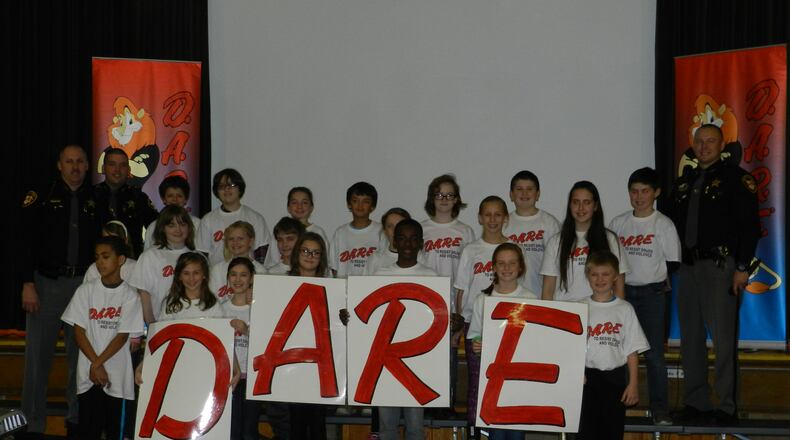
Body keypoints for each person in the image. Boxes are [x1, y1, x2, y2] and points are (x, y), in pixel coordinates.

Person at [667, 124, 760, 425]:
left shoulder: (736, 179)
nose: (704, 147)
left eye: (710, 142)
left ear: (722, 145)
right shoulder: (684, 183)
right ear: (692, 145)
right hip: (688, 267)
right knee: (691, 338)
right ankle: (697, 402)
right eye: (699, 141)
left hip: (721, 268)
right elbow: (670, 231)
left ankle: (726, 406)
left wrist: (742, 268)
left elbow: (750, 227)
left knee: (722, 340)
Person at [20, 144, 101, 437]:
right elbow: (24, 241)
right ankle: (33, 423)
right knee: (38, 360)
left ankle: (75, 420)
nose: (75, 167)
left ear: (88, 166)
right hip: (46, 286)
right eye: (69, 161)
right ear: (59, 165)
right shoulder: (41, 196)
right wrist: (27, 283)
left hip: (84, 286)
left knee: (79, 360)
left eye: (80, 161)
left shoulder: (96, 199)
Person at [608, 167, 681, 425]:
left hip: (652, 294)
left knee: (653, 355)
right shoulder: (618, 223)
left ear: (656, 193)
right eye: (634, 192)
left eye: (645, 192)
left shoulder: (663, 224)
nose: (639, 197)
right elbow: (610, 262)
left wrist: (660, 283)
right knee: (621, 351)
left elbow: (673, 262)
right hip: (623, 292)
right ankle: (620, 407)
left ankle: (660, 411)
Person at [61, 236, 144, 440]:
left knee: (115, 432)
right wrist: (95, 365)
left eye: (106, 256)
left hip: (116, 376)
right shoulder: (85, 291)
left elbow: (122, 336)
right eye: (97, 257)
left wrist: (97, 363)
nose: (100, 262)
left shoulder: (130, 295)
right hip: (88, 376)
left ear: (121, 259)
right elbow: (78, 331)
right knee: (89, 431)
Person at [373, 219, 437, 440]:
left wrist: (452, 321)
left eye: (413, 238)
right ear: (394, 241)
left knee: (415, 427)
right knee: (386, 427)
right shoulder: (380, 275)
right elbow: (368, 316)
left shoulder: (432, 277)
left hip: (417, 362)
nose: (408, 243)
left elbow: (439, 318)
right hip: (385, 361)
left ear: (421, 243)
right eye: (402, 237)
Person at [468, 243, 537, 440]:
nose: (507, 268)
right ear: (494, 267)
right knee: (496, 432)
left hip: (519, 377)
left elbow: (535, 340)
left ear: (521, 267)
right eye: (501, 263)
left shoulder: (530, 299)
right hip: (493, 378)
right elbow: (475, 335)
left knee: (516, 432)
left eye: (512, 263)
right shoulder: (482, 299)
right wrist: (478, 345)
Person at [578, 251, 649, 440]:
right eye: (594, 274)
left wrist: (633, 384)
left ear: (616, 276)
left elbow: (632, 352)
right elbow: (571, 349)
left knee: (612, 432)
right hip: (586, 379)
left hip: (615, 380)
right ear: (587, 276)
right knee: (585, 433)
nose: (600, 279)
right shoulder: (579, 308)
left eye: (605, 274)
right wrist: (577, 372)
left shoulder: (625, 309)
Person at [454, 196, 509, 430]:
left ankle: (502, 426)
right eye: (487, 214)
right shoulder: (471, 250)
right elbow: (461, 290)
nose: (492, 219)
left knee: (503, 381)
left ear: (506, 218)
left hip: (506, 326)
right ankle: (476, 430)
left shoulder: (512, 248)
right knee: (477, 381)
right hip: (474, 325)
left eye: (498, 214)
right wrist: (458, 327)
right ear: (479, 217)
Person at [540, 180, 628, 302]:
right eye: (576, 202)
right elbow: (548, 290)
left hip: (600, 311)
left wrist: (617, 312)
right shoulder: (555, 242)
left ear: (595, 206)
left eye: (587, 202)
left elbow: (619, 286)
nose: (581, 208)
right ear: (570, 205)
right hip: (566, 312)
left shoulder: (610, 239)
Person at [288, 232, 332, 439]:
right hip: (291, 363)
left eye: (316, 252)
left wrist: (343, 316)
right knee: (295, 425)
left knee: (317, 425)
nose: (310, 256)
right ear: (297, 253)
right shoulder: (281, 285)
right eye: (305, 251)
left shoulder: (331, 286)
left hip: (319, 365)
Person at [128, 205, 196, 324]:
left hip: (193, 323)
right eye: (171, 225)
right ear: (162, 228)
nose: (178, 229)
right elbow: (144, 294)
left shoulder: (198, 257)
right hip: (160, 323)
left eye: (182, 224)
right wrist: (151, 324)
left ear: (189, 227)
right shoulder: (150, 256)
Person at [197, 168, 273, 266]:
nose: (226, 189)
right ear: (216, 191)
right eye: (222, 186)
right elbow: (202, 254)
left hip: (248, 276)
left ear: (240, 189)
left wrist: (254, 274)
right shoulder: (208, 220)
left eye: (232, 185)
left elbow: (262, 253)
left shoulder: (255, 218)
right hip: (217, 277)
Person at [503, 170, 560, 295]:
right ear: (511, 194)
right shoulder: (504, 223)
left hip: (542, 295)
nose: (524, 193)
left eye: (530, 189)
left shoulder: (550, 223)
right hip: (510, 295)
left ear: (538, 194)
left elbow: (557, 265)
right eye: (519, 189)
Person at [94, 148, 159, 256]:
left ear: (128, 170)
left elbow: (158, 228)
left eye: (123, 165)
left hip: (130, 263)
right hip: (97, 264)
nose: (117, 170)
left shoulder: (138, 197)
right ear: (103, 168)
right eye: (112, 164)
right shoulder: (90, 196)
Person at [330, 181, 381, 278]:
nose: (360, 205)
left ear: (372, 206)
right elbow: (334, 267)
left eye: (365, 202)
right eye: (355, 201)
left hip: (373, 288)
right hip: (346, 288)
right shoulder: (340, 233)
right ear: (349, 204)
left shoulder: (381, 231)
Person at [208, 221, 267, 302]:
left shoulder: (261, 271)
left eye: (240, 238)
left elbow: (262, 301)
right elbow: (211, 300)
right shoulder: (217, 269)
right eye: (231, 239)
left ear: (251, 241)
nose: (235, 242)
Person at [143, 175, 201, 250]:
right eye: (170, 196)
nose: (175, 200)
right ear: (163, 199)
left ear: (186, 199)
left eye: (179, 196)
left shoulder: (197, 224)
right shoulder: (153, 226)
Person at [365, 207, 411, 275]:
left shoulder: (419, 257)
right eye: (390, 226)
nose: (395, 230)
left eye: (399, 225)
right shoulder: (375, 260)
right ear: (385, 231)